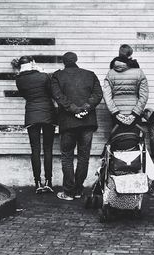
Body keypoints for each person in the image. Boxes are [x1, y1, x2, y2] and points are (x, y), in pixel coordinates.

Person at [51, 52, 103, 201]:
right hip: (87, 122)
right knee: (83, 157)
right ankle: (79, 190)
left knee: (67, 157)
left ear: (63, 62)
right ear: (76, 60)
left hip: (68, 123)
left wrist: (74, 110)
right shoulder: (90, 74)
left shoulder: (57, 76)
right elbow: (98, 94)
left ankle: (68, 192)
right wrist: (85, 108)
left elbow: (58, 96)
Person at [13, 56, 57, 194]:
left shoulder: (19, 80)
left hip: (31, 114)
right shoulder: (43, 76)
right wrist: (41, 70)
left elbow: (25, 95)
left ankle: (37, 182)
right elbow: (52, 91)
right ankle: (49, 181)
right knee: (48, 148)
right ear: (32, 63)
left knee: (35, 149)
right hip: (48, 114)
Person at [103, 44, 148, 133]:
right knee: (134, 141)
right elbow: (144, 96)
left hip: (116, 115)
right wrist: (134, 114)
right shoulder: (139, 72)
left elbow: (106, 96)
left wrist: (116, 113)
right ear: (130, 56)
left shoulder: (110, 73)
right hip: (134, 113)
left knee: (118, 140)